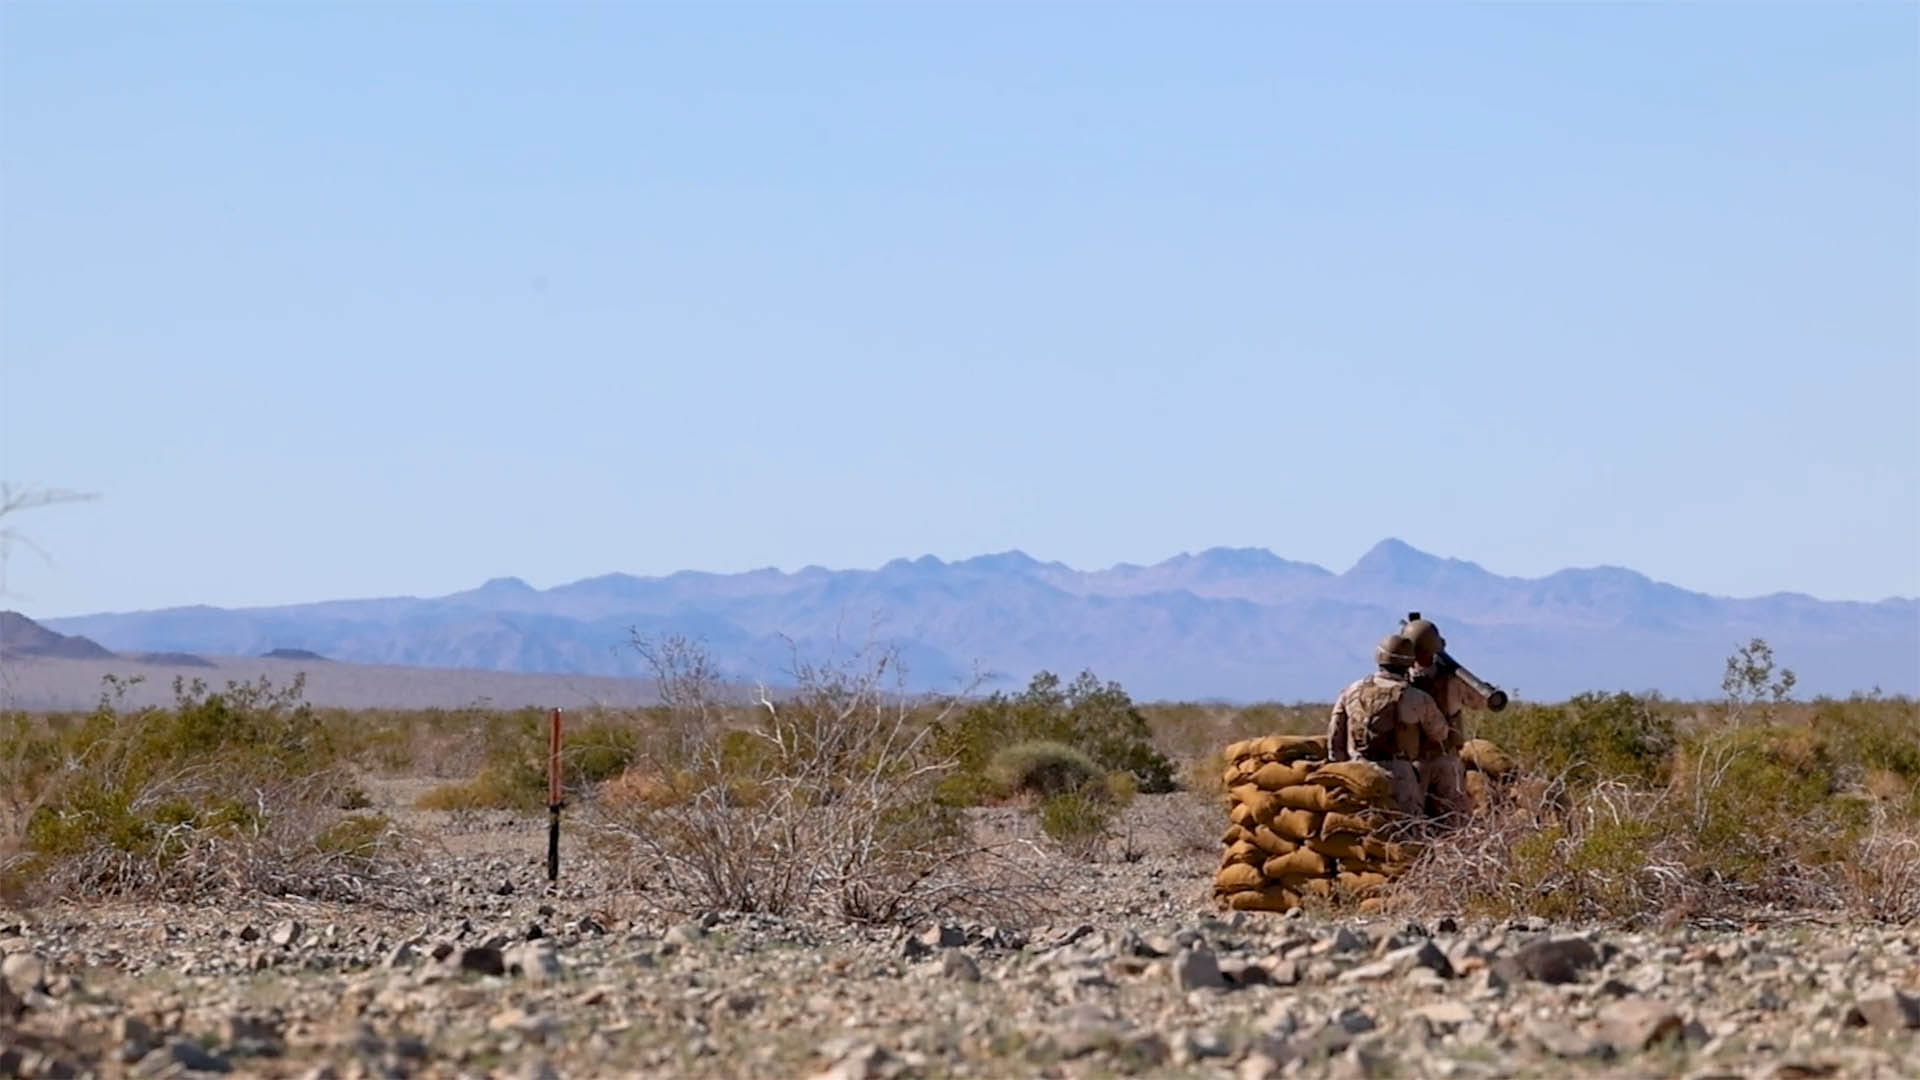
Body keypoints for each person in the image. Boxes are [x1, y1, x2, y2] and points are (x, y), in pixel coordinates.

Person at [1326, 633, 1450, 815]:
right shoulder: (1416, 698)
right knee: (1406, 832)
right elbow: (1441, 733)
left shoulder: (1351, 690)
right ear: (1410, 662)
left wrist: (1343, 770)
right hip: (1400, 777)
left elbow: (1335, 736)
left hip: (1358, 773)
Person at [1402, 616, 1476, 821]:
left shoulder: (1400, 680)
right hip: (1447, 758)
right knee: (1453, 820)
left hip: (1412, 762)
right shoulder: (1452, 678)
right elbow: (1480, 702)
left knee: (1413, 819)